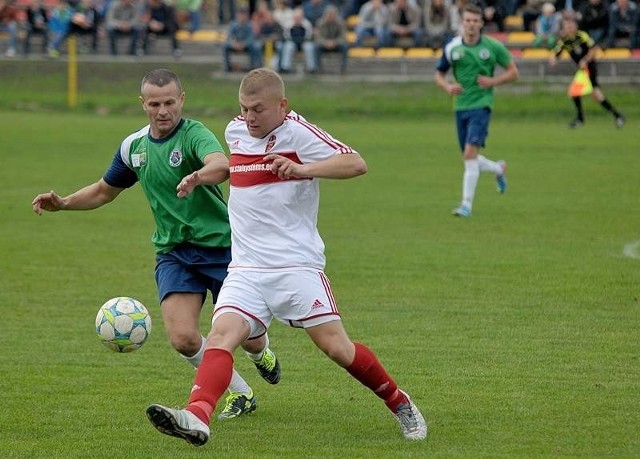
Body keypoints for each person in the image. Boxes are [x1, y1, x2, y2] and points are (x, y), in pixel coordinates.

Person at [145, 67, 428, 446]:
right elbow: (234, 169)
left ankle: (399, 402)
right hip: (246, 268)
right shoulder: (235, 131)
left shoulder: (299, 133)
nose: (249, 117)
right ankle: (196, 416)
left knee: (336, 348)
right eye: (244, 108)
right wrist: (201, 177)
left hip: (296, 266)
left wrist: (302, 169)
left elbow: (356, 163)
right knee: (220, 337)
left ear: (282, 105)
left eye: (258, 109)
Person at [32, 68, 281, 421]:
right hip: (175, 254)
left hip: (223, 249)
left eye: (169, 102)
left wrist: (196, 176)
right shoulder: (134, 147)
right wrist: (65, 203)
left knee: (250, 337)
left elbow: (221, 165)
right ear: (143, 104)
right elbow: (105, 190)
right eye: (154, 104)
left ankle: (262, 354)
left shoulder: (194, 134)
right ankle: (241, 393)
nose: (163, 111)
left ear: (181, 99)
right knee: (183, 338)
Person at [435, 3, 519, 218]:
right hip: (460, 106)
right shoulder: (452, 47)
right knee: (469, 157)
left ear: (481, 23)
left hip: (482, 105)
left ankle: (466, 205)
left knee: (470, 155)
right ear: (462, 23)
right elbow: (439, 75)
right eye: (467, 21)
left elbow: (513, 72)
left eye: (475, 21)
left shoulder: (492, 47)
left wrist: (493, 81)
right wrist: (448, 87)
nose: (471, 24)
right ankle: (498, 169)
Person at [549, 15, 626, 128]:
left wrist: (585, 60)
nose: (569, 28)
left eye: (571, 25)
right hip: (582, 71)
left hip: (590, 68)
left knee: (594, 94)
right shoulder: (564, 41)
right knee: (579, 93)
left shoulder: (582, 35)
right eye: (567, 26)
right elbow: (555, 53)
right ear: (563, 28)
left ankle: (617, 116)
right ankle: (613, 116)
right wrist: (553, 60)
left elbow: (594, 49)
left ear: (575, 26)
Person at [223, 7, 262, 72]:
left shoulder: (250, 25)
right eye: (240, 14)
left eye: (243, 15)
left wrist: (243, 44)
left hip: (246, 45)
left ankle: (253, 67)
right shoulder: (233, 24)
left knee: (255, 46)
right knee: (225, 46)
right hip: (235, 44)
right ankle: (227, 67)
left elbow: (251, 37)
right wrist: (234, 43)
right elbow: (229, 36)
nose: (242, 16)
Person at [314, 4, 349, 73]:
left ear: (336, 15)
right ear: (325, 15)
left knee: (345, 46)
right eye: (329, 14)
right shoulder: (319, 23)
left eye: (332, 14)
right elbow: (318, 38)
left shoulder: (341, 23)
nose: (330, 16)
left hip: (336, 44)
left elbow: (343, 37)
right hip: (324, 45)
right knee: (316, 47)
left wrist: (334, 42)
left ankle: (343, 68)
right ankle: (318, 69)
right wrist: (325, 42)